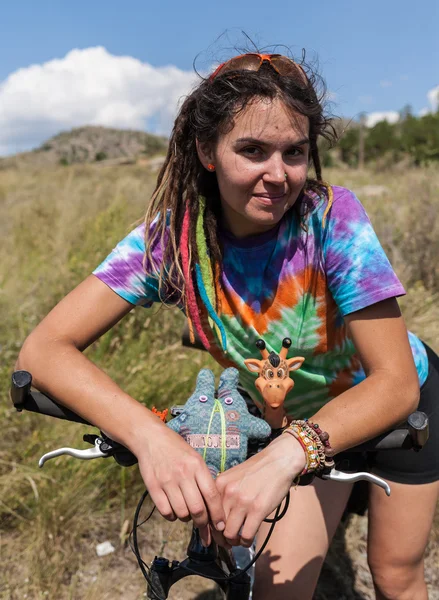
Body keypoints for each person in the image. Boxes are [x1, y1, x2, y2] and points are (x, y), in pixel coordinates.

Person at [16, 51, 439, 600]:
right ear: (205, 149)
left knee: (395, 572)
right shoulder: (173, 240)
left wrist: (285, 457)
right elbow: (44, 350)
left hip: (396, 406)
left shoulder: (332, 219)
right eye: (252, 150)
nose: (278, 174)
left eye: (295, 152)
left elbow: (396, 381)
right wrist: (148, 438)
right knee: (276, 592)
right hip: (289, 414)